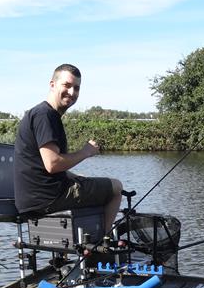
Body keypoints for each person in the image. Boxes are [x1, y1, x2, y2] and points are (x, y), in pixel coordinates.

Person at [13, 63, 123, 233]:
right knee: (116, 187)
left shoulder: (42, 113)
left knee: (88, 182)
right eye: (67, 85)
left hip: (35, 199)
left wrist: (75, 176)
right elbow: (53, 164)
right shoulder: (45, 115)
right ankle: (104, 239)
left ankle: (81, 242)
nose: (72, 92)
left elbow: (43, 166)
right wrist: (86, 152)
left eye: (76, 88)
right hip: (48, 198)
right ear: (52, 85)